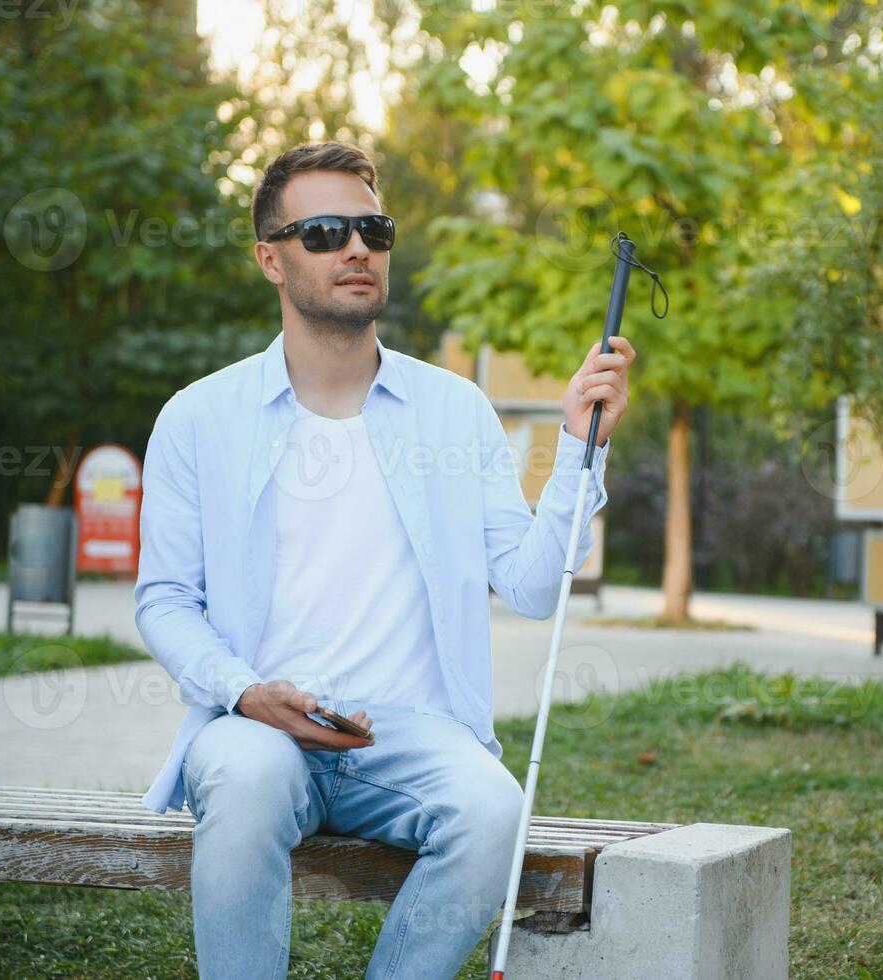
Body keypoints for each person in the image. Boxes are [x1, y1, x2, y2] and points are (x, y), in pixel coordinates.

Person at [133, 140, 635, 979]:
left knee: (491, 806)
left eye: (373, 227)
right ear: (271, 258)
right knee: (247, 780)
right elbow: (164, 600)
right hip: (257, 726)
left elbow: (533, 585)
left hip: (410, 735)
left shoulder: (454, 408)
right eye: (324, 231)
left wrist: (579, 449)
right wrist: (245, 693)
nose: (357, 248)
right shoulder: (198, 417)